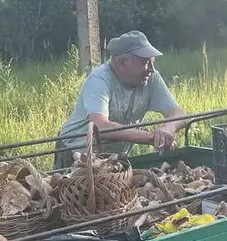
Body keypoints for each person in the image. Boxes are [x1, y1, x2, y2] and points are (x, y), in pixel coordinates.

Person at [53, 30, 189, 170]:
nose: (151, 69)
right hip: (77, 153)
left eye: (152, 62)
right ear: (122, 62)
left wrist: (168, 127)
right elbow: (101, 127)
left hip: (112, 158)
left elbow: (179, 113)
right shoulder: (99, 80)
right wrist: (151, 137)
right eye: (146, 62)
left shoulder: (151, 78)